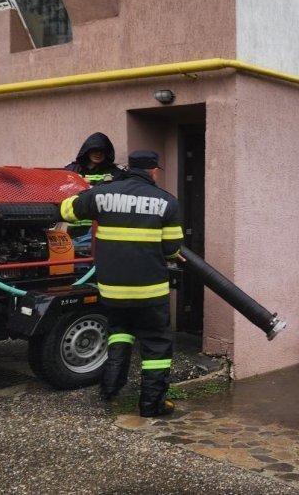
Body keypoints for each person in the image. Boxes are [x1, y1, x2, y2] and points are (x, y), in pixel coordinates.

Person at [59, 150, 183, 418]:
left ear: (128, 168)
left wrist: (87, 193)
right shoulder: (167, 202)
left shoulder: (102, 193)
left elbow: (66, 211)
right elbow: (172, 248)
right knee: (156, 345)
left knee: (120, 330)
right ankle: (152, 405)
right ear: (153, 171)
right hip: (150, 291)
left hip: (112, 289)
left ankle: (110, 388)